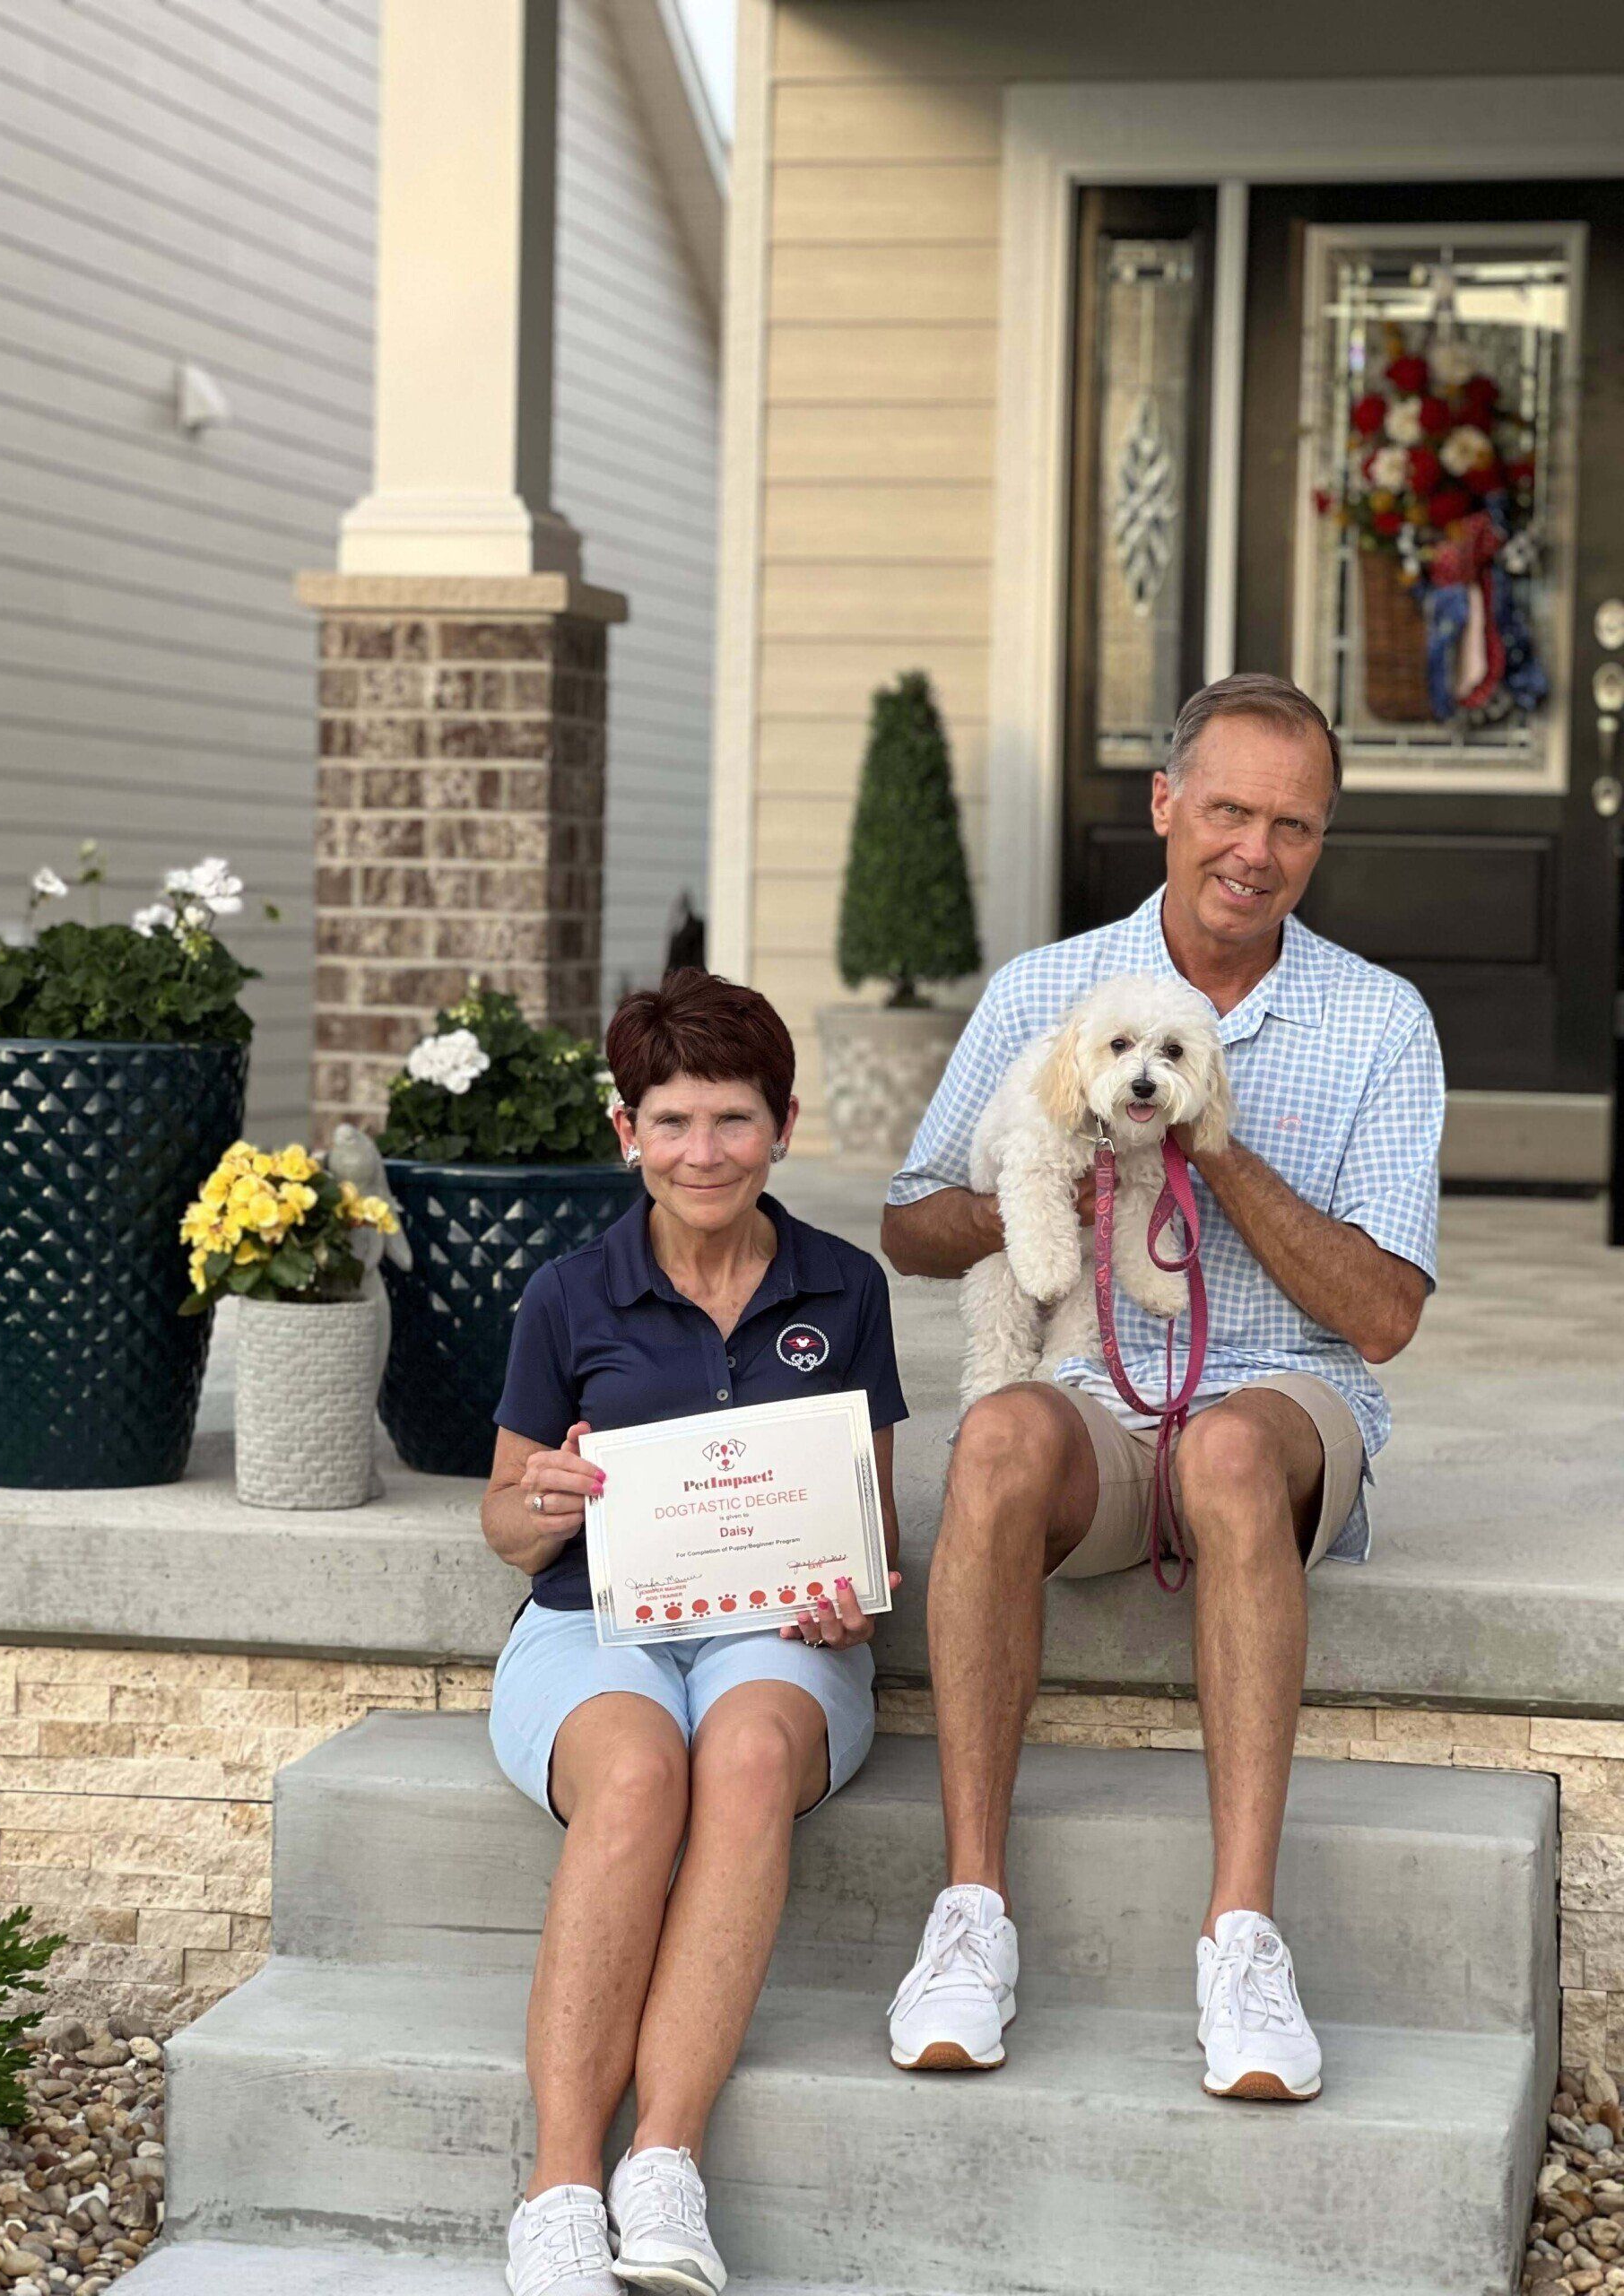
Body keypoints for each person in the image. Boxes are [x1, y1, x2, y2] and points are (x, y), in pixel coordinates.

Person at [881, 673, 1442, 2104]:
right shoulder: (1045, 993)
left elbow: (1383, 1316)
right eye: (1231, 811)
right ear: (1165, 807)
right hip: (1098, 1390)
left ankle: (1242, 1939)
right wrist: (1044, 1176)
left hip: (1286, 1397)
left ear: (1322, 842)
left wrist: (1211, 1148)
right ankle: (970, 1916)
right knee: (997, 1438)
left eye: (1296, 826)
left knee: (1233, 1462)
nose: (1257, 850)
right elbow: (908, 1221)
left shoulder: (1381, 1021)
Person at [485, 969, 907, 2296]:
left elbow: (872, 1531)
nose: (702, 1152)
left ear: (783, 1123)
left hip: (781, 1632)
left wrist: (854, 1592)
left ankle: (663, 2163)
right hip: (588, 1619)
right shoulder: (568, 1293)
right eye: (670, 1121)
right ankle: (559, 2184)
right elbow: (506, 1526)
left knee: (741, 1757)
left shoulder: (845, 1288)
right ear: (627, 1134)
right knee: (634, 1769)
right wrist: (541, 1497)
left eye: (731, 1120)